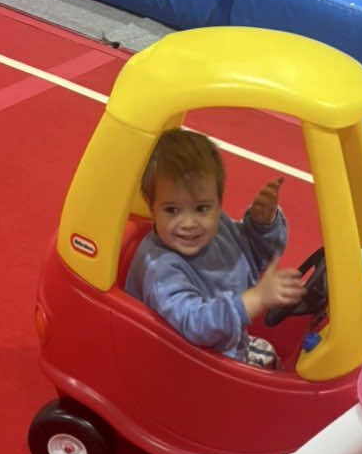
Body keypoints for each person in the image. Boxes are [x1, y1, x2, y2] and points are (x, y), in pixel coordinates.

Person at [125, 128, 305, 369]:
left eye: (201, 209)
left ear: (219, 203)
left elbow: (251, 256)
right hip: (184, 365)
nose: (188, 223)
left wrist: (262, 224)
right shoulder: (161, 270)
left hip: (226, 341)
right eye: (172, 210)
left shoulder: (217, 228)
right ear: (152, 207)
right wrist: (256, 298)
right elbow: (195, 324)